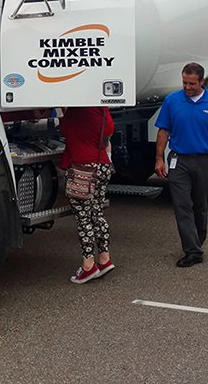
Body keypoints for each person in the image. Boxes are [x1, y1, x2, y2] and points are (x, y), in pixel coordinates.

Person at [154, 62, 208, 267]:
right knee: (182, 206)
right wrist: (159, 158)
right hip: (179, 161)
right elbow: (163, 131)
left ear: (202, 82)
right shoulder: (172, 101)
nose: (187, 88)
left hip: (205, 161)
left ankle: (197, 241)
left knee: (200, 206)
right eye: (184, 83)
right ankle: (192, 250)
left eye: (192, 84)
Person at [59, 106, 116, 283]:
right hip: (103, 165)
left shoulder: (76, 113)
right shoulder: (103, 110)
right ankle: (105, 259)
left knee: (83, 217)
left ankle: (88, 265)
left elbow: (65, 130)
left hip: (82, 167)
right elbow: (107, 135)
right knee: (97, 213)